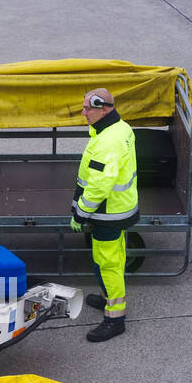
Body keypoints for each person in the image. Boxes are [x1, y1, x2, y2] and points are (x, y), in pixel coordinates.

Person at [70, 88, 139, 342]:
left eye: (87, 108)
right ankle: (108, 298)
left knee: (106, 264)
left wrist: (80, 213)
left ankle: (114, 319)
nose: (83, 113)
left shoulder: (107, 141)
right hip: (120, 208)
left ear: (104, 109)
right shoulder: (120, 128)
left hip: (107, 214)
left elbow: (99, 185)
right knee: (116, 257)